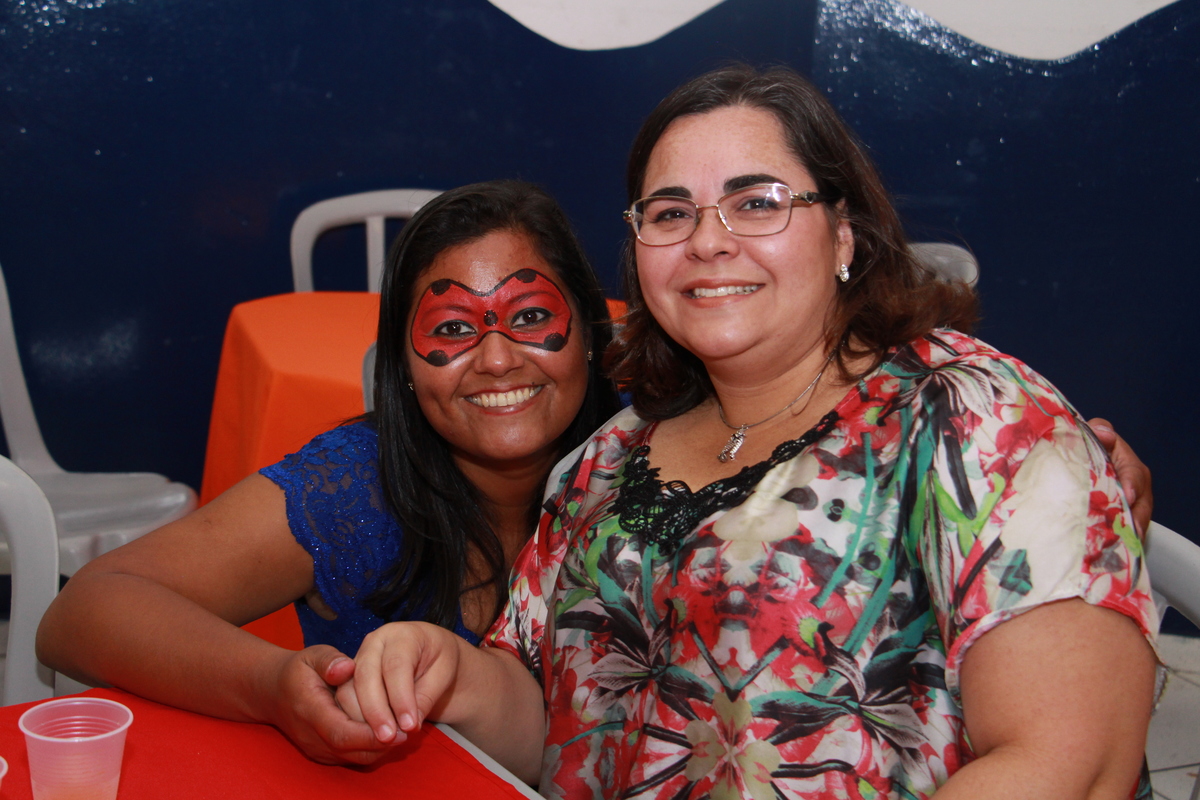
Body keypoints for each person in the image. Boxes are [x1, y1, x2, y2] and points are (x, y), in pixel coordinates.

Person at [339, 65, 1161, 799]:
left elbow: (1071, 763)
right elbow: (560, 726)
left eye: (756, 202)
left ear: (843, 233)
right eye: (670, 213)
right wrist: (452, 674)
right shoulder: (605, 460)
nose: (706, 241)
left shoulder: (978, 420)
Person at [35, 180, 622, 765]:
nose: (496, 359)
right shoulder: (357, 489)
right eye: (451, 328)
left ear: (591, 335)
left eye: (531, 316)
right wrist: (269, 686)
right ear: (403, 364)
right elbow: (82, 612)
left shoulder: (647, 462)